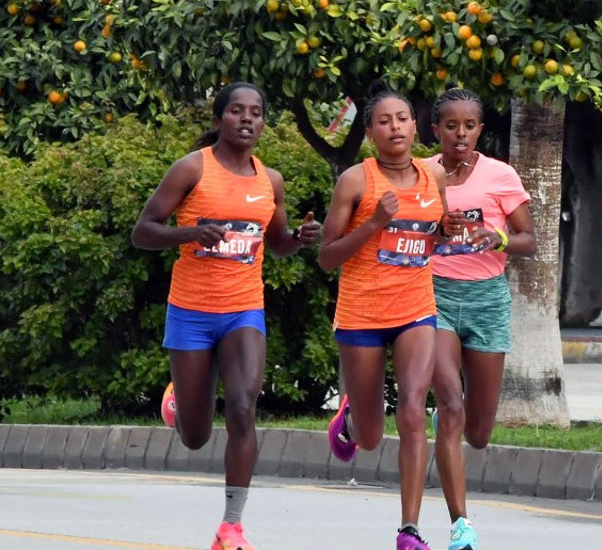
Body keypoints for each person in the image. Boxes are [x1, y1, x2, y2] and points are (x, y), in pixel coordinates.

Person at [131, 82, 320, 550]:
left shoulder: (269, 180)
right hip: (191, 312)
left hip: (243, 310)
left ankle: (231, 526)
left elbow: (274, 244)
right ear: (219, 119)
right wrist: (192, 232)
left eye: (256, 112)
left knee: (241, 406)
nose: (247, 119)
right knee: (194, 437)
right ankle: (179, 397)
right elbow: (143, 232)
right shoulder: (192, 169)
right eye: (237, 111)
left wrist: (298, 236)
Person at [318, 81, 454, 550]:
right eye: (383, 121)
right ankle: (352, 420)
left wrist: (446, 234)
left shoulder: (433, 178)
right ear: (371, 132)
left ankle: (409, 529)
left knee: (415, 410)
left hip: (416, 309)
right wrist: (375, 223)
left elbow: (434, 236)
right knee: (372, 438)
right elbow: (327, 256)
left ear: (416, 127)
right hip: (361, 315)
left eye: (402, 119)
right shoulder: (356, 181)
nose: (394, 127)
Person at [427, 86, 535, 550]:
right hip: (433, 294)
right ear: (436, 130)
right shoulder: (423, 173)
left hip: (488, 299)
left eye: (469, 126)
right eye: (451, 125)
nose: (460, 134)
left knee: (480, 432)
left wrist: (498, 238)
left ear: (480, 130)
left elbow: (529, 238)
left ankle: (446, 424)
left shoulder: (500, 175)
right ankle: (461, 526)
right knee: (452, 406)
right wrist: (436, 229)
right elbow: (403, 236)